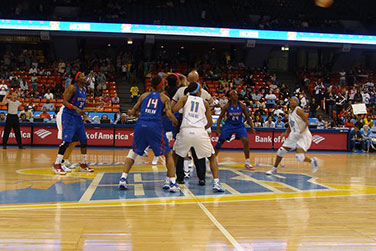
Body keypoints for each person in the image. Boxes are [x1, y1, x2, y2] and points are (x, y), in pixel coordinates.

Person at [118, 75, 180, 192]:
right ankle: (172, 182)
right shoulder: (164, 98)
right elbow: (169, 113)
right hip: (155, 126)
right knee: (167, 154)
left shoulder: (143, 96)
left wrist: (134, 113)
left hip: (141, 125)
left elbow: (132, 112)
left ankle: (123, 178)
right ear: (161, 85)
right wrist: (174, 120)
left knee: (133, 152)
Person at [173, 82, 225, 192]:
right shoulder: (204, 103)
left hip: (185, 130)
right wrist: (201, 127)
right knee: (211, 157)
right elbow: (210, 122)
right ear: (197, 91)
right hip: (200, 131)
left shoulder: (184, 99)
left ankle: (171, 181)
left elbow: (173, 110)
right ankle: (216, 183)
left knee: (175, 155)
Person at [52, 72, 94, 175]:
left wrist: (97, 104)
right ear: (78, 79)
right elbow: (64, 102)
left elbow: (83, 105)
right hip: (69, 116)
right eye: (83, 76)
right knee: (66, 141)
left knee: (83, 140)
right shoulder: (72, 88)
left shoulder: (83, 90)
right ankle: (57, 164)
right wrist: (76, 109)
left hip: (77, 117)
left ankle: (83, 164)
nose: (85, 77)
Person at [266, 97, 318, 175]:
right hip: (293, 135)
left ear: (297, 103)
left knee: (300, 158)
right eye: (291, 100)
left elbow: (307, 121)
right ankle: (274, 169)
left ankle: (312, 161)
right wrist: (285, 133)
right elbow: (290, 126)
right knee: (280, 151)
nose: (292, 101)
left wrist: (302, 131)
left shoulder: (298, 110)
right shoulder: (290, 113)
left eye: (294, 100)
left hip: (303, 135)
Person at [215, 90, 255, 170]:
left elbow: (247, 117)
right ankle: (212, 158)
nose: (234, 95)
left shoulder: (242, 106)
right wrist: (217, 128)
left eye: (236, 94)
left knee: (246, 141)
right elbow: (220, 117)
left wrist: (252, 127)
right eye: (233, 94)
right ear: (230, 97)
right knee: (221, 141)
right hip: (229, 125)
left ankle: (247, 162)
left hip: (239, 125)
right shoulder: (226, 106)